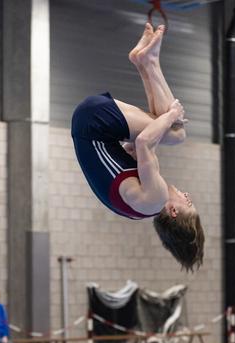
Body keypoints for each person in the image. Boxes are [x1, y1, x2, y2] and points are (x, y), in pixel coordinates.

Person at [71, 23, 205, 271]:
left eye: (188, 203)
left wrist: (172, 113)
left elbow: (143, 142)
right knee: (169, 128)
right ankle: (144, 61)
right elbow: (136, 148)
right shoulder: (142, 207)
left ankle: (149, 62)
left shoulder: (156, 199)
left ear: (174, 212)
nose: (188, 196)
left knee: (176, 133)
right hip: (89, 126)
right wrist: (164, 121)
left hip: (93, 124)